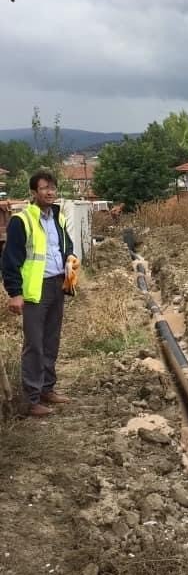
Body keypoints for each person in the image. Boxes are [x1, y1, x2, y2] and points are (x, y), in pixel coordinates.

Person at [1, 169, 74, 416]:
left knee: (51, 340)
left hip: (57, 284)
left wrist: (70, 258)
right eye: (44, 188)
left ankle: (47, 389)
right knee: (34, 344)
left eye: (52, 188)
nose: (49, 192)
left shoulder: (57, 217)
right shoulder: (22, 220)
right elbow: (10, 260)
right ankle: (31, 400)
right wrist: (15, 293)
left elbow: (66, 245)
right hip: (35, 289)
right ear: (34, 192)